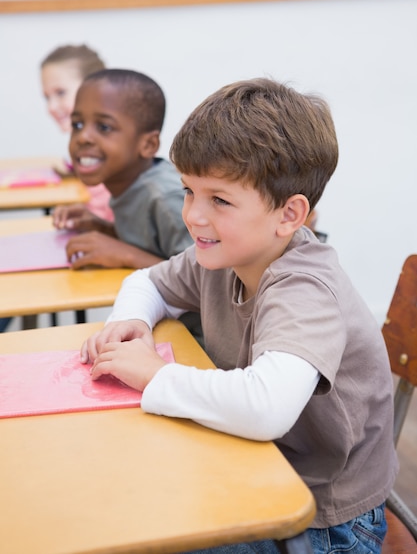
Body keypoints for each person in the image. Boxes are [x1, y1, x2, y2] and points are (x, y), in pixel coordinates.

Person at [80, 77, 398, 553]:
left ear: (289, 215)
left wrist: (155, 375)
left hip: (324, 520)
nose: (194, 216)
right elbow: (146, 282)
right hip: (256, 468)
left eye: (220, 200)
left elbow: (264, 409)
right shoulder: (225, 252)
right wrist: (132, 323)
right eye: (189, 191)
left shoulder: (305, 289)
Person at [52, 68, 193, 270]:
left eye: (104, 127)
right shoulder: (127, 183)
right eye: (78, 124)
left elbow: (204, 280)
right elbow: (154, 246)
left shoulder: (165, 198)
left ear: (148, 145)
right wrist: (105, 229)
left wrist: (126, 255)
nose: (83, 137)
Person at [41, 44, 114, 221]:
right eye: (47, 97)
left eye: (61, 93)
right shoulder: (82, 144)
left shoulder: (113, 144)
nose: (51, 107)